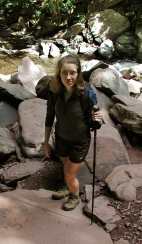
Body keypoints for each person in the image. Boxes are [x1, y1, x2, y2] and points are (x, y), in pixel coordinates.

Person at [43, 54, 103, 211]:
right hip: (61, 137)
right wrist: (45, 142)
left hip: (80, 141)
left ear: (78, 73)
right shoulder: (55, 91)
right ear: (59, 73)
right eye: (65, 73)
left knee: (70, 174)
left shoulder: (86, 94)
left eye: (73, 73)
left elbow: (94, 121)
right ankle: (68, 185)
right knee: (65, 165)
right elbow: (50, 117)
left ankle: (74, 195)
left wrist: (97, 119)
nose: (69, 77)